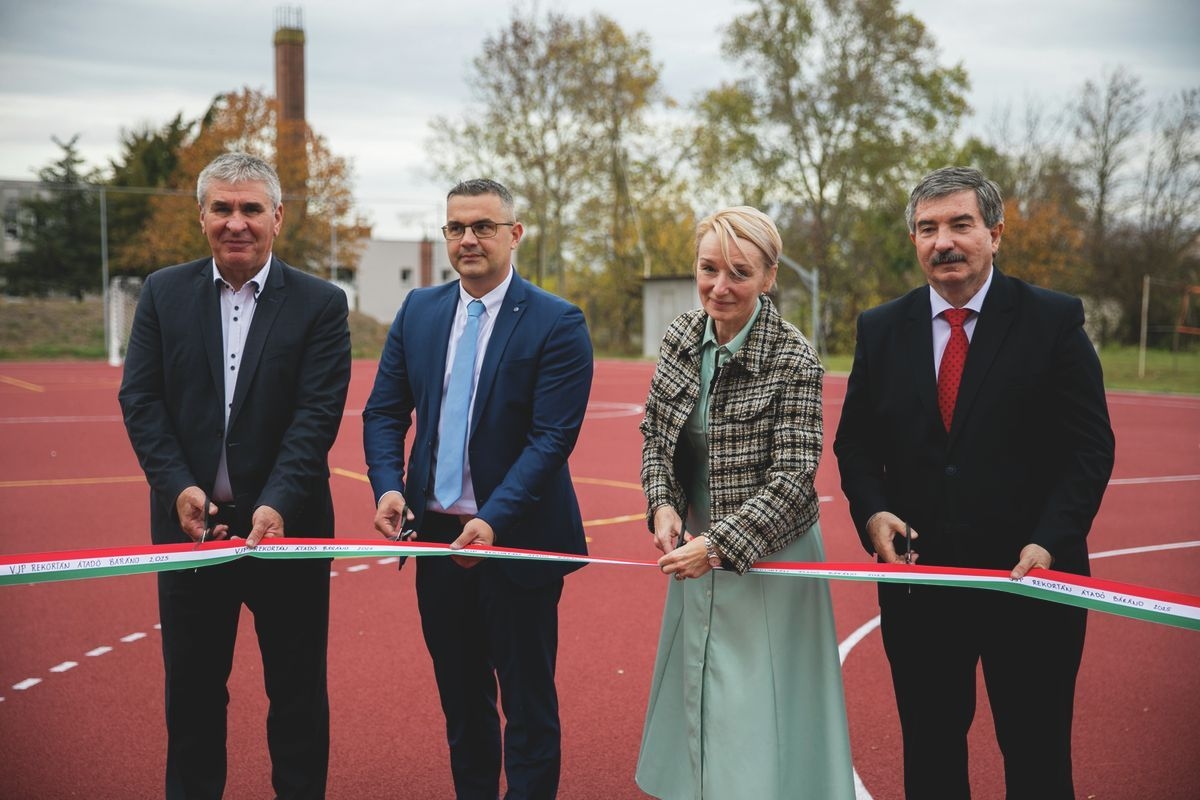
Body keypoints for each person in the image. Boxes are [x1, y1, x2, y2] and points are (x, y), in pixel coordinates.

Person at [834, 166, 1115, 799]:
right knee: (931, 756)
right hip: (922, 591)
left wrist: (1051, 538)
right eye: (927, 228)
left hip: (1034, 583)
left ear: (994, 233)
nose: (944, 241)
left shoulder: (1052, 321)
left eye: (960, 224)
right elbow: (855, 443)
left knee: (1037, 756)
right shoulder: (881, 329)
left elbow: (1090, 448)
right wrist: (874, 514)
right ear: (913, 239)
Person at [118, 151, 351, 800]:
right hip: (190, 535)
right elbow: (140, 400)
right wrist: (177, 487)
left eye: (251, 209)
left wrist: (276, 503)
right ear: (201, 217)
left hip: (289, 534)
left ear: (278, 218)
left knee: (298, 697)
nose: (236, 222)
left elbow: (316, 416)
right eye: (222, 208)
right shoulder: (163, 293)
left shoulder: (320, 304)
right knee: (190, 700)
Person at [361, 178, 593, 800]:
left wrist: (492, 519)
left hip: (516, 543)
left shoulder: (557, 322)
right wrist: (388, 487)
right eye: (457, 228)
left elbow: (551, 440)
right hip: (438, 544)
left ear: (514, 235)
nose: (468, 239)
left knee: (527, 708)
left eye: (483, 227)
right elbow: (384, 413)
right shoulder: (419, 311)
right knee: (463, 706)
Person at [636, 206, 855, 799]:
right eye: (709, 269)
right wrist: (662, 506)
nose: (720, 286)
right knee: (700, 694)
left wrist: (719, 545)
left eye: (739, 271)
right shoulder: (681, 336)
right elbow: (655, 438)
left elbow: (792, 481)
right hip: (695, 550)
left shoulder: (793, 357)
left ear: (769, 276)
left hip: (772, 555)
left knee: (760, 707)